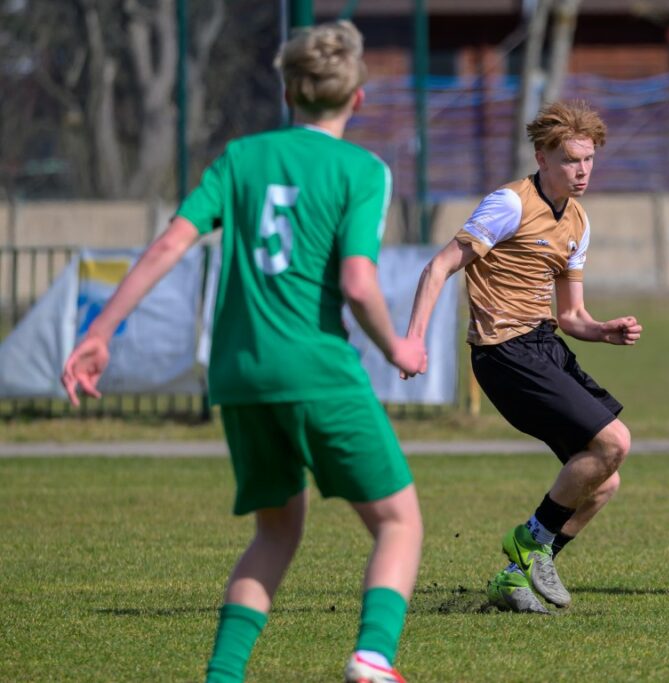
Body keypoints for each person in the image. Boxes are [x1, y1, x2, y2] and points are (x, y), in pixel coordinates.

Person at [61, 22, 424, 683]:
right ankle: (373, 656)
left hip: (239, 374)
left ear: (288, 90)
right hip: (316, 367)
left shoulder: (240, 157)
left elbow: (172, 242)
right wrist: (398, 342)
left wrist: (99, 332)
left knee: (277, 530)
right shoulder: (363, 169)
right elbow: (357, 280)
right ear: (360, 98)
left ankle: (222, 676)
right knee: (399, 519)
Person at [403, 100, 642, 614]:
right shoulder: (510, 203)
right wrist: (415, 339)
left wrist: (603, 330)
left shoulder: (577, 220)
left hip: (545, 344)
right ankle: (529, 542)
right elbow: (440, 265)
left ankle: (513, 578)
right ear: (542, 156)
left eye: (589, 160)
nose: (581, 171)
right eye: (570, 160)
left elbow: (572, 315)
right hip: (503, 351)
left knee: (602, 480)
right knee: (613, 442)